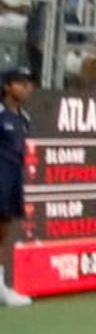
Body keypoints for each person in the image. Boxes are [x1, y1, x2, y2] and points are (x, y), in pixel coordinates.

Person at [0, 67, 30, 307]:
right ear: (8, 86)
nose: (26, 87)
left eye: (27, 83)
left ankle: (1, 288)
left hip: (12, 181)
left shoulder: (24, 117)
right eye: (20, 83)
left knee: (3, 235)